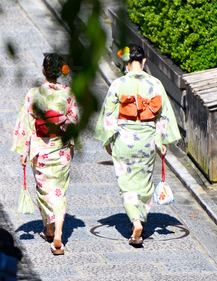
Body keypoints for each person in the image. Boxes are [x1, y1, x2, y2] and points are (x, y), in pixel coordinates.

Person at [94, 45, 181, 247]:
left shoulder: (118, 84)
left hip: (124, 139)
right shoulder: (155, 84)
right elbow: (164, 114)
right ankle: (140, 220)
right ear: (143, 61)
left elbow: (108, 114)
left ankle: (134, 221)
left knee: (126, 184)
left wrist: (108, 140)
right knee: (145, 183)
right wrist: (161, 141)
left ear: (127, 63)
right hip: (147, 139)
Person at [12, 53, 79, 255]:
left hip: (40, 151)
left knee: (45, 191)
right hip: (61, 150)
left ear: (43, 70)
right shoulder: (68, 93)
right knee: (59, 191)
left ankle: (51, 231)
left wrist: (23, 151)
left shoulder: (34, 94)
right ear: (60, 72)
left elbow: (25, 124)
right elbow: (73, 121)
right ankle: (55, 231)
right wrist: (72, 145)